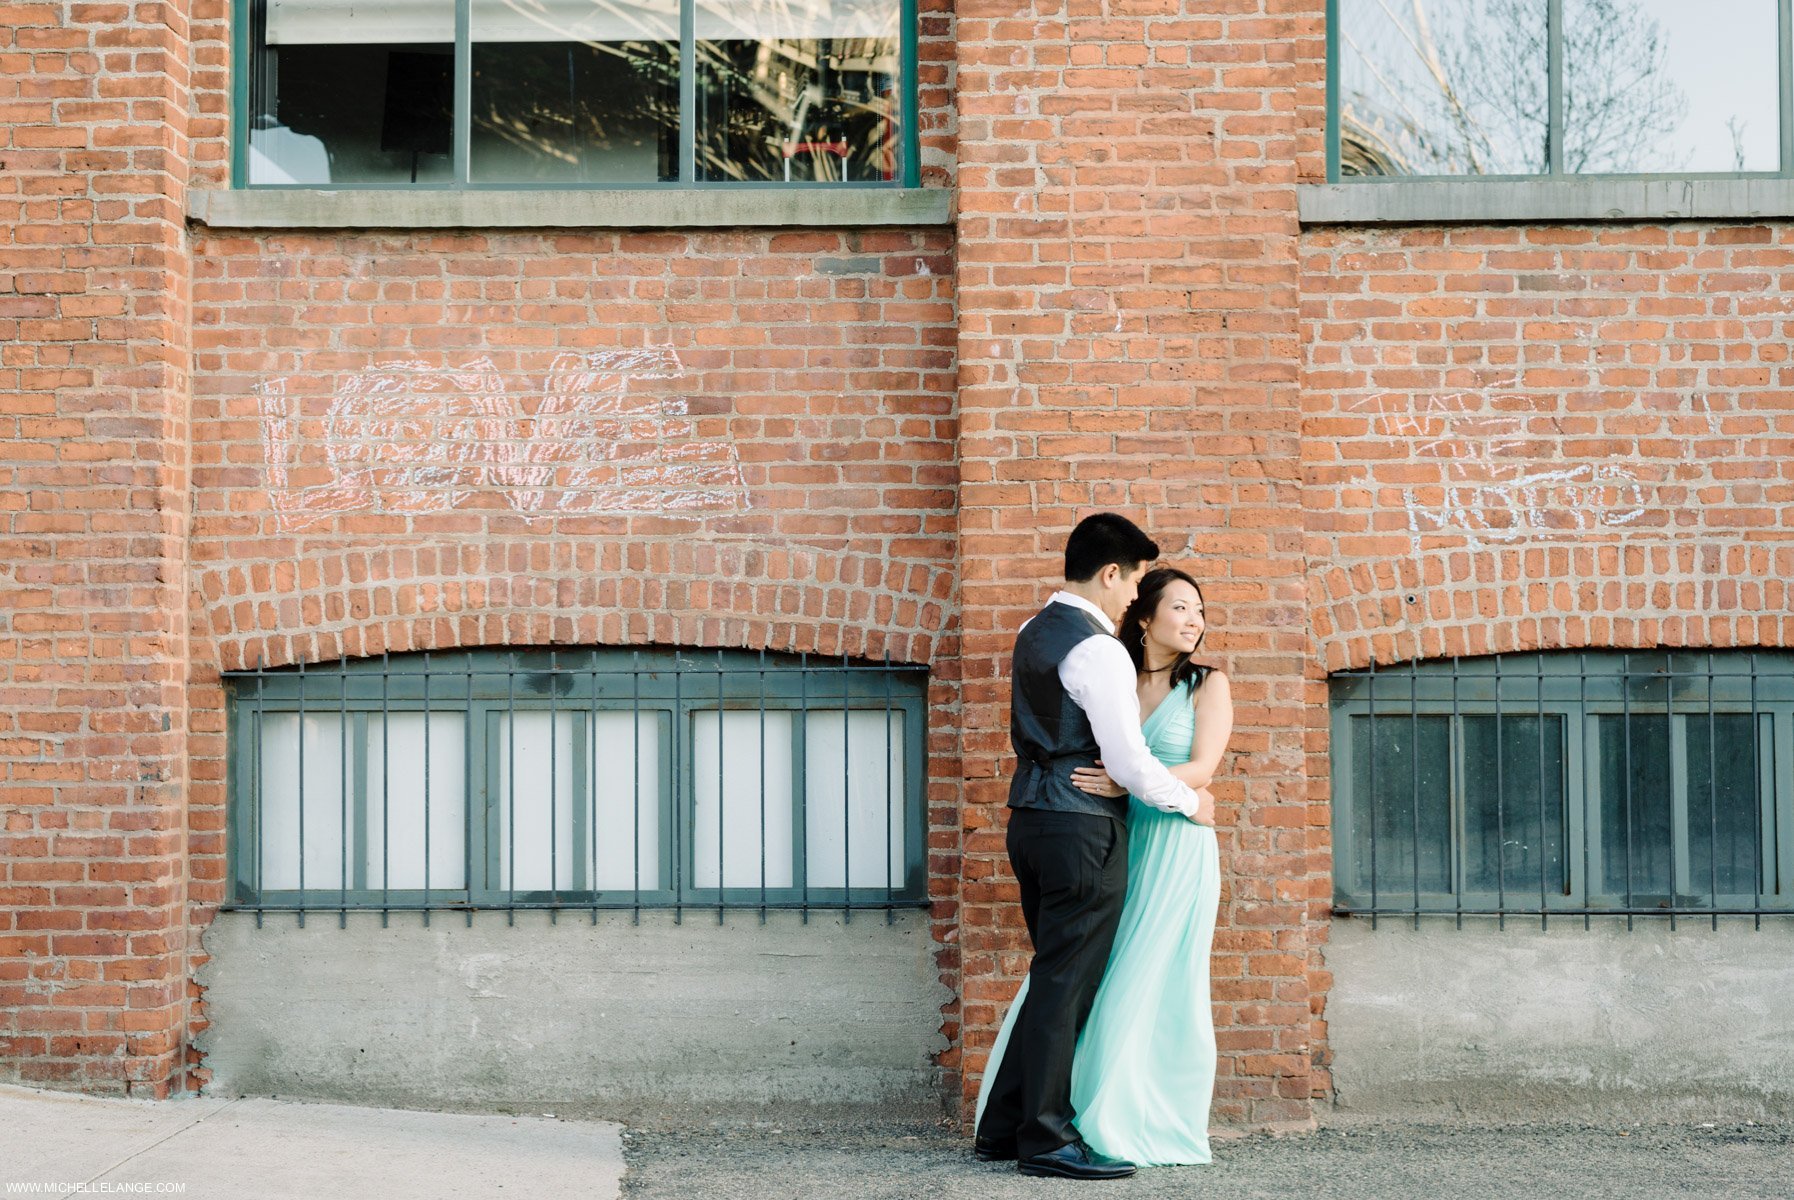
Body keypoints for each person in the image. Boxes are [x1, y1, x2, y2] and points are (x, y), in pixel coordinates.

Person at [972, 516, 1215, 1181]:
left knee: (1052, 973)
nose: (1135, 595)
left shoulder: (1032, 632)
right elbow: (1129, 762)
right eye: (1135, 580)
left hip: (1030, 821)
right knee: (1065, 984)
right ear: (1111, 573)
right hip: (1082, 828)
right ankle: (1047, 1139)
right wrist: (1192, 801)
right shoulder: (1101, 648)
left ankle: (1003, 1128)